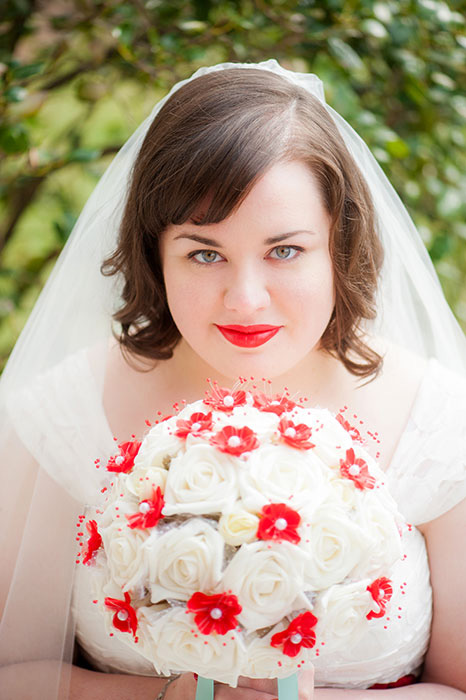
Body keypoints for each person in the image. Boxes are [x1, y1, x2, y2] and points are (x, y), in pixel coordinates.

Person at [0, 59, 465, 700]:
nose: (245, 300)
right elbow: (11, 676)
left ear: (340, 245)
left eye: (285, 250)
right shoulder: (64, 414)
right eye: (205, 253)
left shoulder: (437, 420)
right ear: (155, 256)